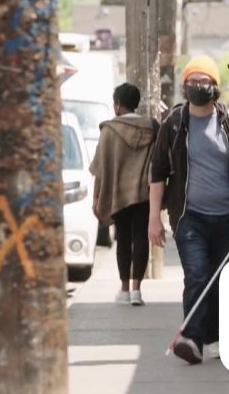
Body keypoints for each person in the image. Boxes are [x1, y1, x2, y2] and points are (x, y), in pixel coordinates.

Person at [148, 55, 229, 365]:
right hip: (189, 217)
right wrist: (154, 218)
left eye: (204, 81)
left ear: (215, 86)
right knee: (197, 275)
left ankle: (214, 337)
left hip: (226, 217)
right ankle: (191, 339)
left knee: (218, 281)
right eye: (192, 81)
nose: (198, 86)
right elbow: (157, 173)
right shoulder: (174, 124)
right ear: (185, 86)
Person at [90, 83, 158, 306]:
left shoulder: (110, 131)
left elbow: (100, 168)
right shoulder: (151, 128)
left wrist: (96, 197)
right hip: (144, 194)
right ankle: (137, 290)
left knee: (123, 240)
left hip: (118, 194)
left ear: (118, 104)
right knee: (141, 238)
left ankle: (125, 289)